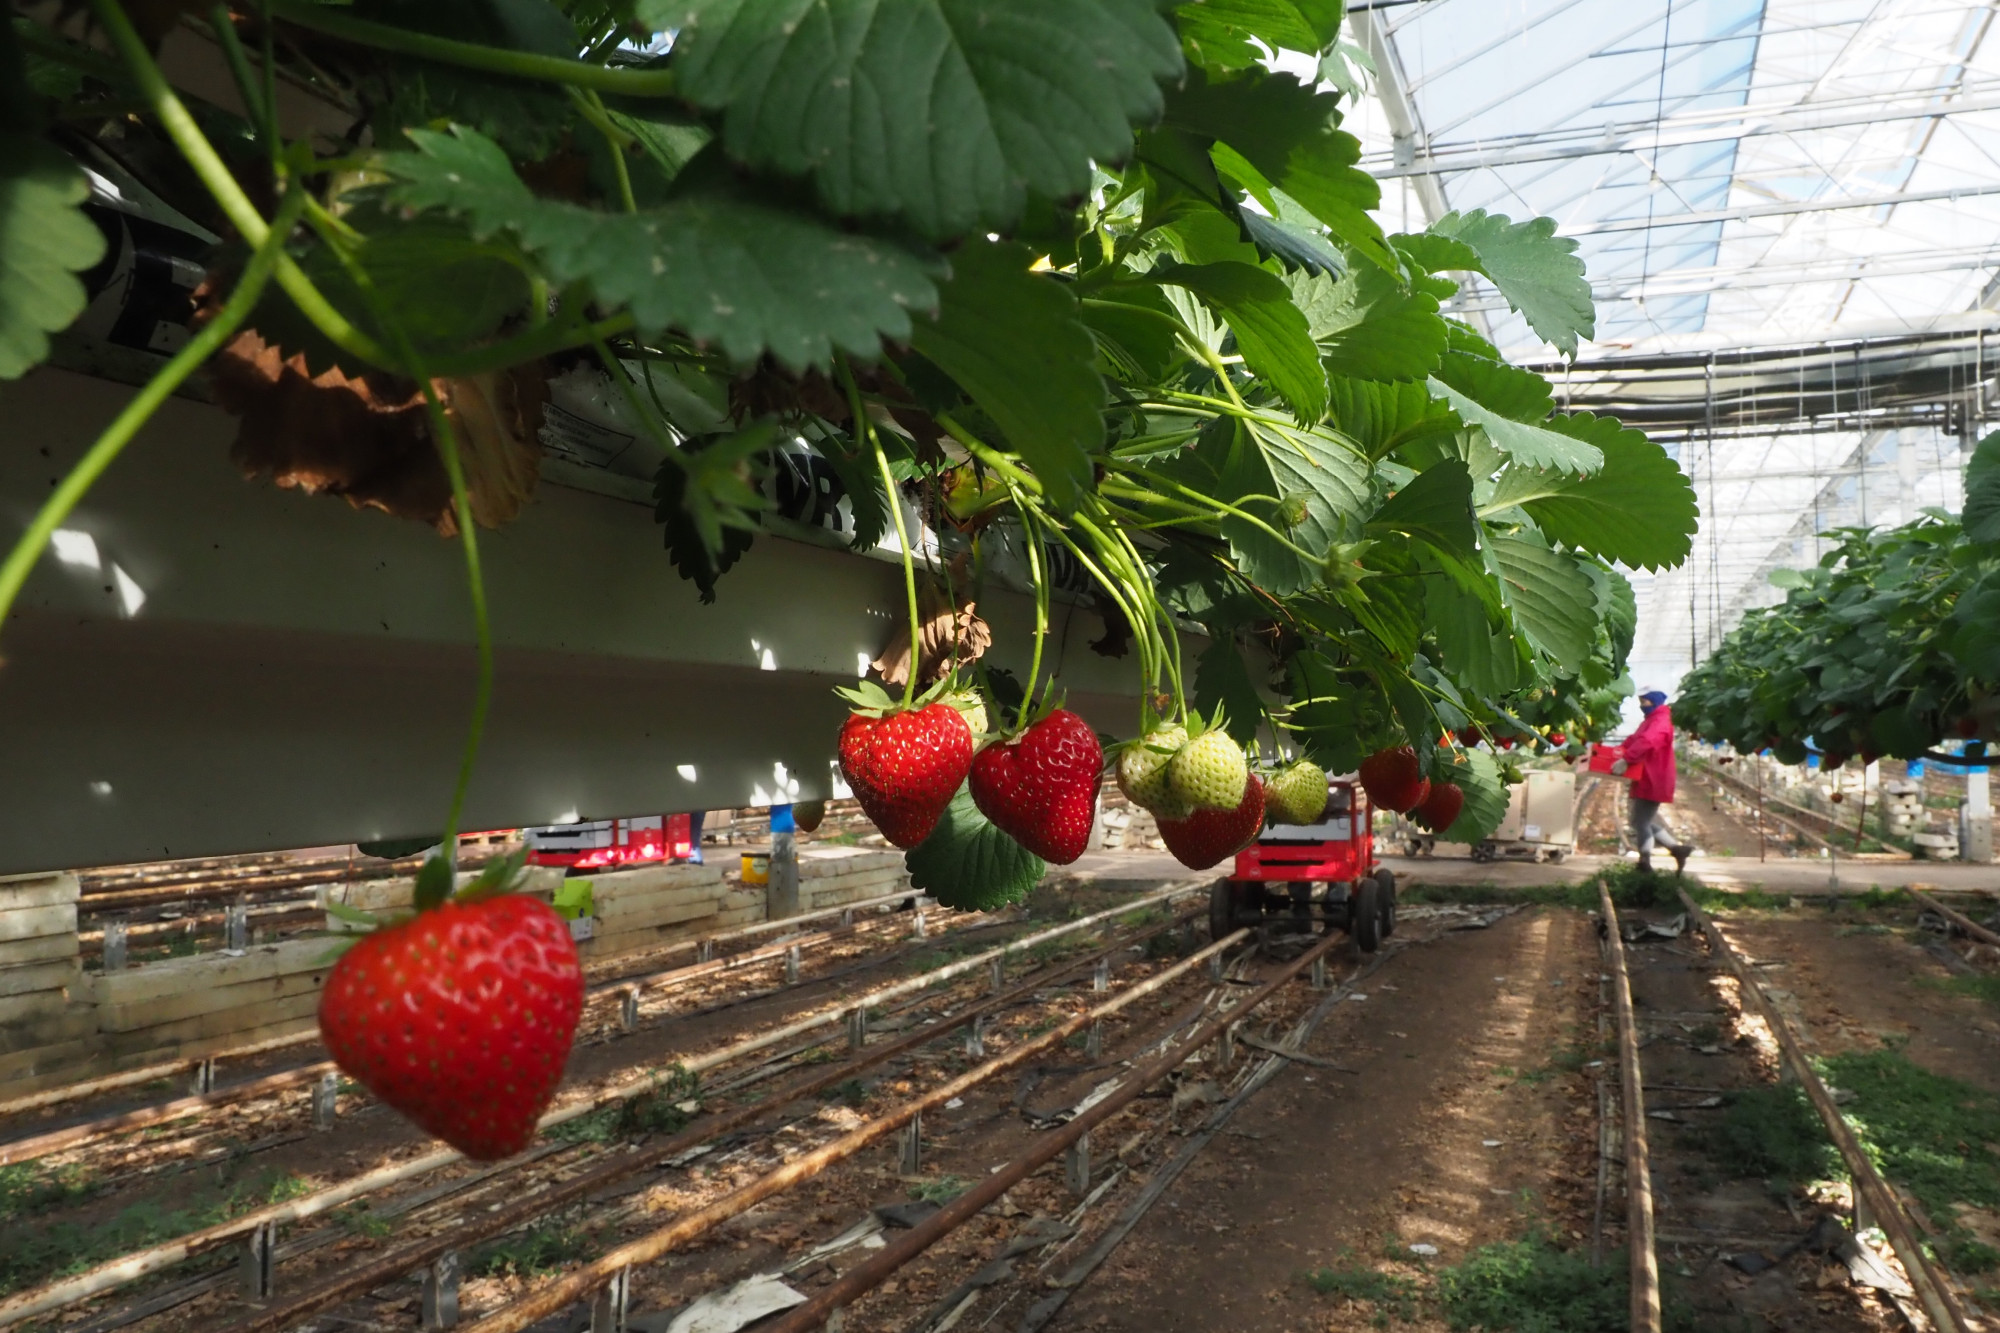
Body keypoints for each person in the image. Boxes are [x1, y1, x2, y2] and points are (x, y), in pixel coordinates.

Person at [1614, 687, 1695, 873]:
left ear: (1655, 701)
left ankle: (1645, 862)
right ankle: (1677, 850)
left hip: (1654, 777)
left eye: (1644, 702)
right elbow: (1635, 739)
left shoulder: (1660, 721)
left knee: (1641, 821)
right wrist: (1617, 751)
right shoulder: (1652, 720)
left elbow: (1647, 742)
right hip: (1648, 776)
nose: (1641, 706)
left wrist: (1627, 759)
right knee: (1640, 820)